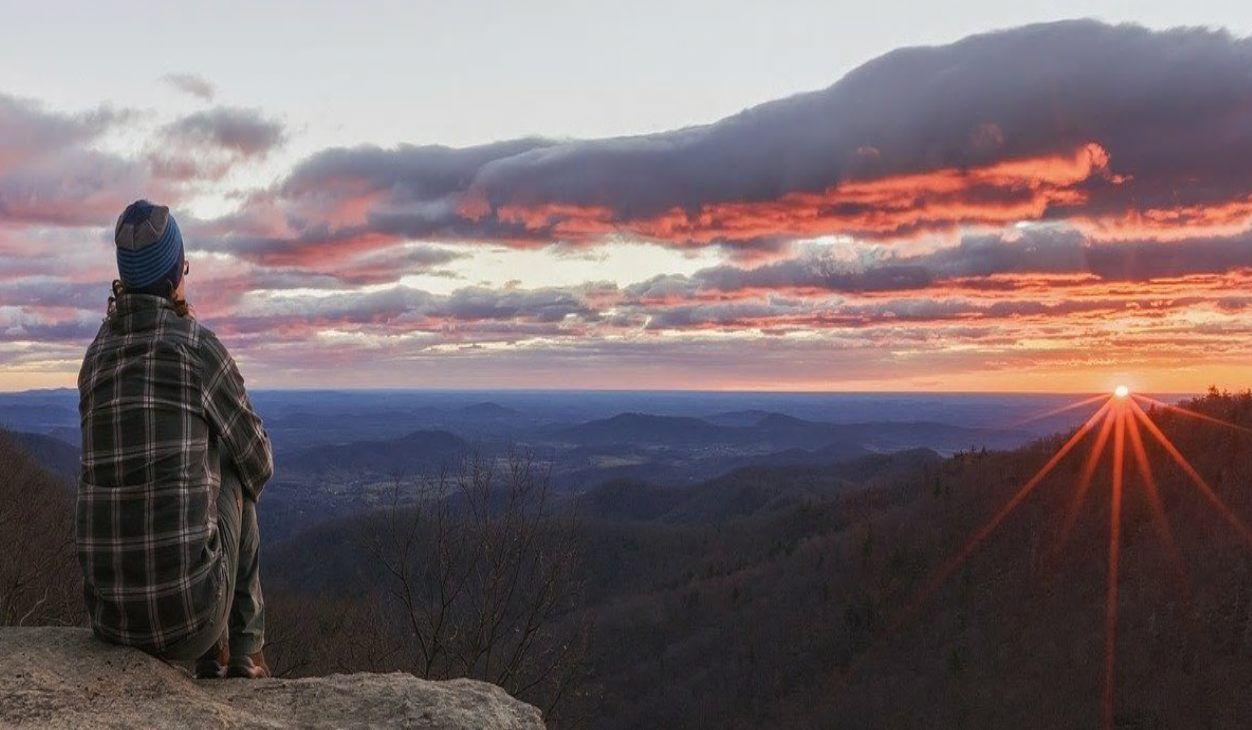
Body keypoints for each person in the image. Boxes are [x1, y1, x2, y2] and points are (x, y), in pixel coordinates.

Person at [77, 200, 274, 679]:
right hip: (191, 623)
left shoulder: (95, 359)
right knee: (233, 464)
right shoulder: (197, 349)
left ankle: (225, 655)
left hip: (110, 618)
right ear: (174, 277)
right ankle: (245, 651)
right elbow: (260, 462)